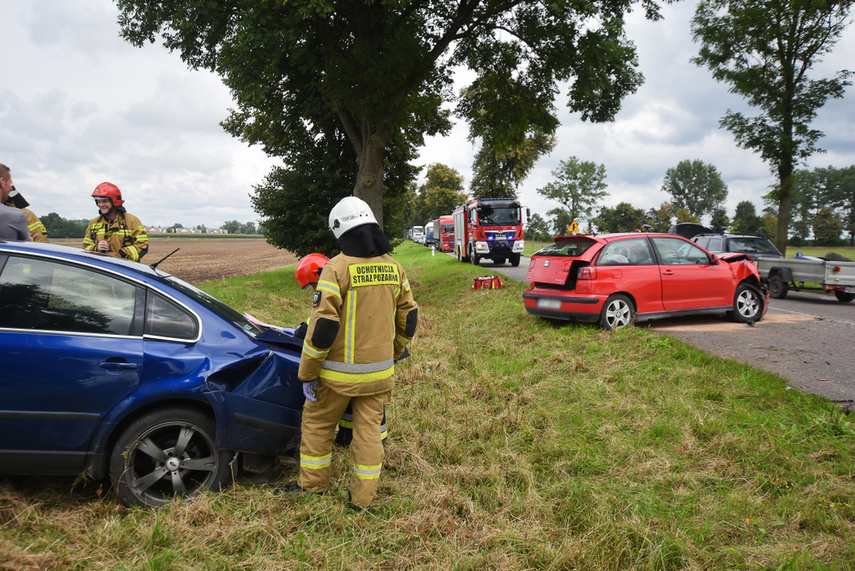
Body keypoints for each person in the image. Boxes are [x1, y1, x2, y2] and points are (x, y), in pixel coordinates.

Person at [283, 196, 417, 510]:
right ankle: (362, 501)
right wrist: (395, 352)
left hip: (336, 377)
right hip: (380, 375)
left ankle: (312, 487)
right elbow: (408, 318)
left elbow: (323, 328)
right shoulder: (394, 268)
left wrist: (308, 373)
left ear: (342, 231)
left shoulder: (337, 268)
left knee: (317, 426)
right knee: (368, 434)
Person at [293, 253, 389, 448]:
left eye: (313, 285)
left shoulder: (339, 284)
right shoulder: (347, 280)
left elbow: (328, 322)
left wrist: (304, 332)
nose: (314, 290)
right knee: (355, 398)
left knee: (366, 397)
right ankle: (348, 437)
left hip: (368, 351)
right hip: (375, 349)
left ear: (320, 277)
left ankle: (376, 440)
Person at [82, 182, 149, 261]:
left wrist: (120, 254)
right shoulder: (94, 223)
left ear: (114, 201)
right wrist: (96, 248)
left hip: (125, 270)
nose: (101, 204)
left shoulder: (131, 221)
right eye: (98, 201)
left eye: (105, 201)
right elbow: (85, 248)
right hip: (101, 270)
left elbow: (142, 245)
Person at [0, 163, 30, 241]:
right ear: (2, 182)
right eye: (10, 183)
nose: (10, 188)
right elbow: (28, 244)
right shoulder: (16, 216)